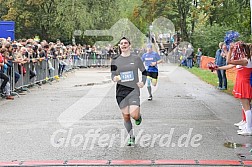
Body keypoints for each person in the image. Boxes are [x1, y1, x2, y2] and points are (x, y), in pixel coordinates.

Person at [111, 37, 147, 146]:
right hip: (121, 92)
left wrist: (143, 82)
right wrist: (115, 78)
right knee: (126, 116)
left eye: (125, 43)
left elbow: (144, 72)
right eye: (121, 43)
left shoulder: (136, 59)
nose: (123, 45)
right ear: (119, 46)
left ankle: (138, 117)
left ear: (129, 45)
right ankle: (131, 136)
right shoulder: (115, 60)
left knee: (134, 114)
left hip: (133, 90)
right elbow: (112, 75)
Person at [216, 42, 252, 135]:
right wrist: (218, 68)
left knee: (247, 107)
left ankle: (249, 128)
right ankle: (247, 124)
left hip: (244, 84)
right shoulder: (245, 60)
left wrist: (230, 50)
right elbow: (230, 65)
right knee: (245, 106)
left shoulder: (246, 60)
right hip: (242, 83)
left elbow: (229, 61)